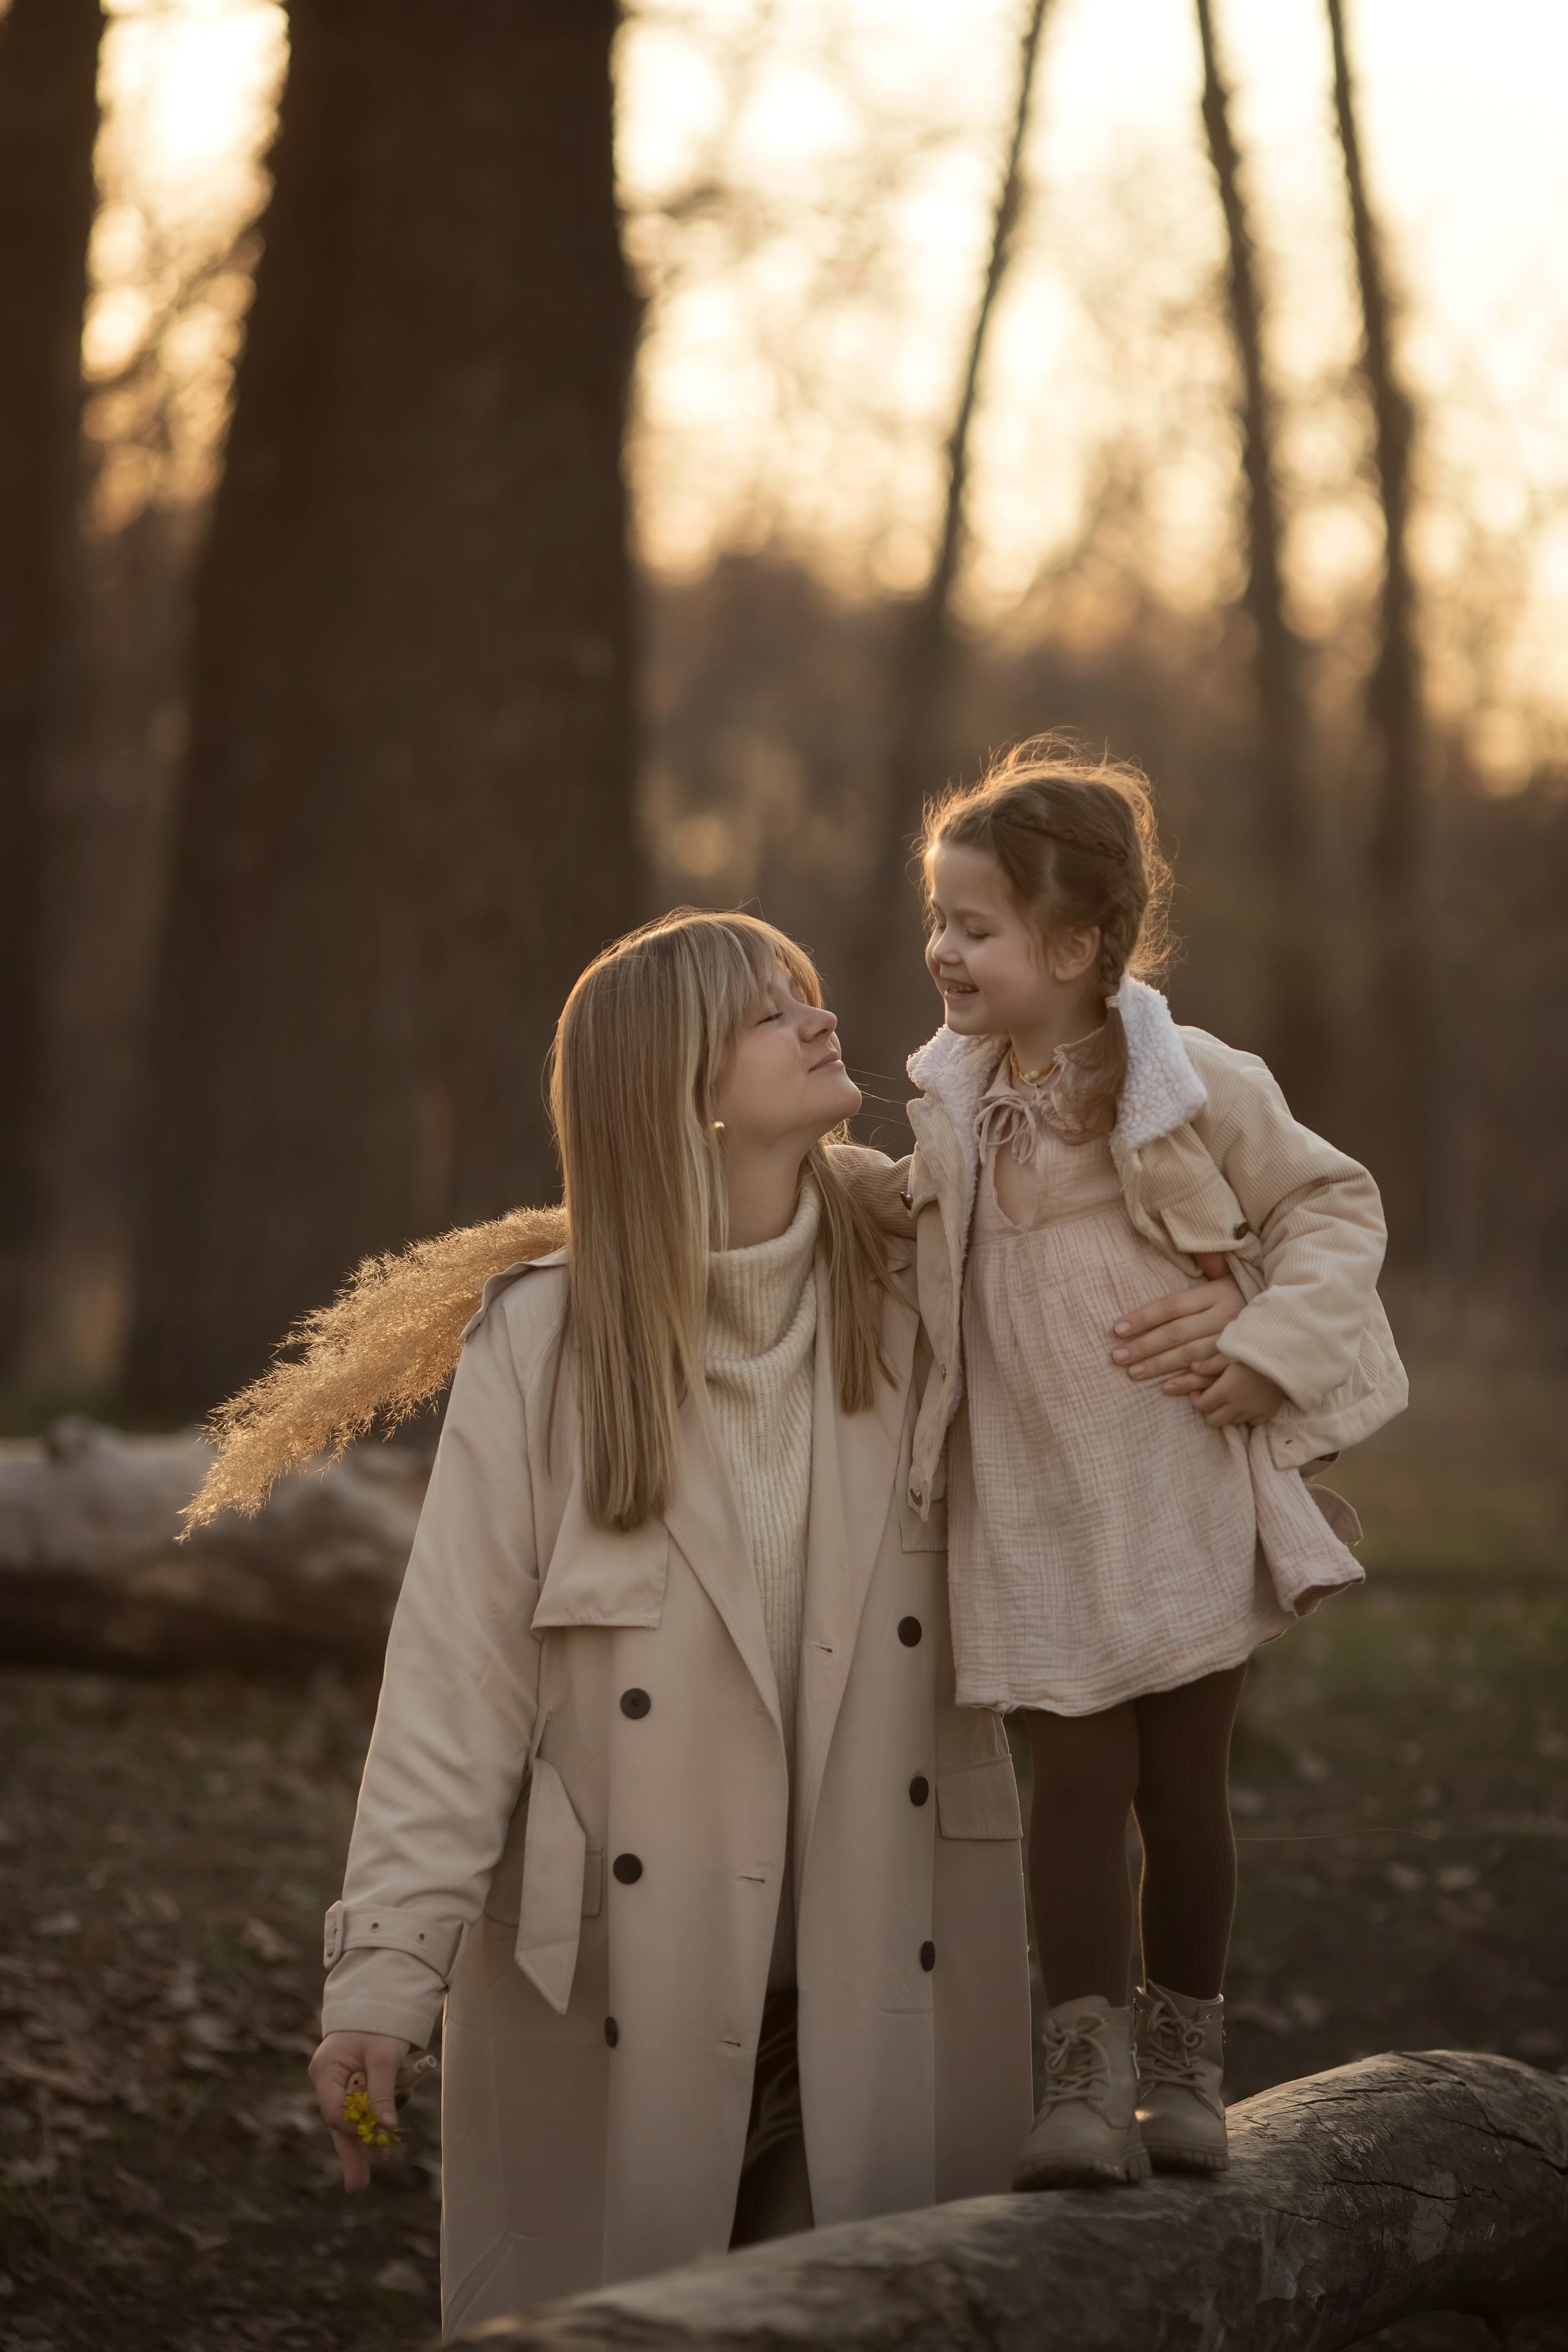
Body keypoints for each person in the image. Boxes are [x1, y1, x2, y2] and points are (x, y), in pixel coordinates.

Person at [185, 905, 1253, 2318]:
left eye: (806, 995)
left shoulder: (930, 1274)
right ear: (678, 1087)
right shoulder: (539, 1344)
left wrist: (1242, 1324)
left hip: (896, 1957)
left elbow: (1169, 1266)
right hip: (618, 1990)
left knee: (886, 2319)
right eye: (769, 1010)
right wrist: (379, 1987)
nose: (821, 1020)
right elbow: (454, 1689)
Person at [905, 740, 1407, 2193]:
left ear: (1073, 947)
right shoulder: (949, 1100)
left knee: (1183, 1785)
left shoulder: (1193, 1084)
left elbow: (1333, 1205)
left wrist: (1262, 1333)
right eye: (935, 921)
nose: (940, 951)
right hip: (1038, 1503)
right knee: (1068, 1785)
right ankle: (1080, 2077)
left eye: (974, 928)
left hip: (1175, 1481)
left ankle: (1186, 2066)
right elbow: (911, 1243)